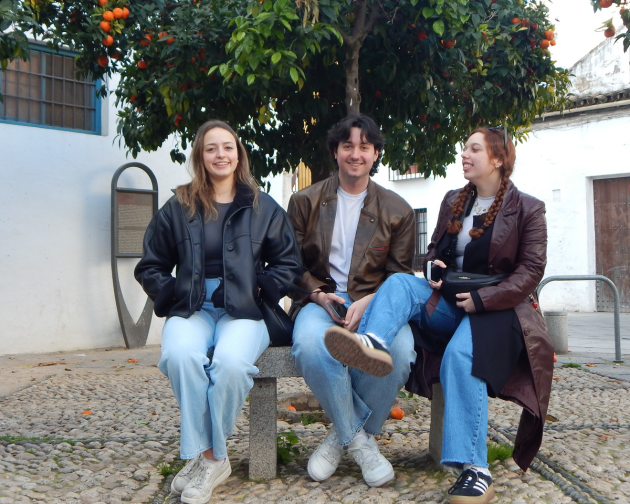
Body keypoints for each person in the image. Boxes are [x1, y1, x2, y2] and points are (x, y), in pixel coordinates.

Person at [325, 127, 553, 504]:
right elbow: (431, 253)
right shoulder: (453, 201)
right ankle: (372, 344)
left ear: (498, 159)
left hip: (497, 312)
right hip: (447, 302)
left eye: (474, 149)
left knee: (461, 358)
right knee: (399, 283)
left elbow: (530, 272)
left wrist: (482, 300)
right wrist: (433, 269)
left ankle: (476, 470)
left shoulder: (528, 208)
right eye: (464, 147)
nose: (465, 154)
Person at [134, 120, 301, 504]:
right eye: (211, 148)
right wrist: (174, 289)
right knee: (180, 355)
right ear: (200, 155)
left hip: (244, 309)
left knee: (229, 364)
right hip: (191, 305)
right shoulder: (178, 206)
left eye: (228, 147)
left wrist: (260, 287)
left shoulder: (263, 207)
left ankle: (205, 458)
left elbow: (288, 264)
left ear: (238, 153)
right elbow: (151, 265)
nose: (220, 154)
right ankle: (214, 457)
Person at [288, 114, 417, 488]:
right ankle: (360, 443)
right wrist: (316, 292)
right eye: (348, 146)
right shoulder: (304, 201)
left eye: (364, 146)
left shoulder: (398, 210)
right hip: (318, 300)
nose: (355, 154)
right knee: (311, 346)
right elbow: (289, 264)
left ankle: (340, 437)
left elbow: (401, 276)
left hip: (377, 302)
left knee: (400, 349)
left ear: (376, 153)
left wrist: (371, 301)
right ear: (335, 151)